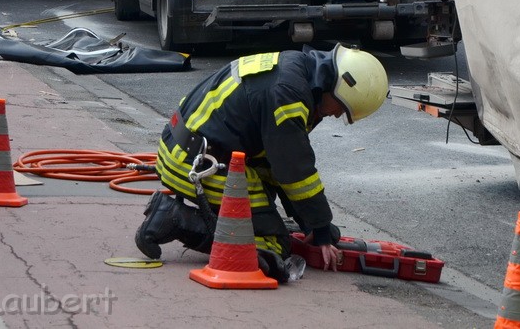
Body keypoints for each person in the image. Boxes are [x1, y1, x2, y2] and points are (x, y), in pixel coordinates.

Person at [134, 44, 389, 282]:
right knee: (273, 243)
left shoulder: (299, 70)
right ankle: (173, 219)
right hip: (199, 163)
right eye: (342, 109)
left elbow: (277, 161)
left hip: (190, 149)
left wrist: (312, 223)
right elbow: (295, 171)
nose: (336, 115)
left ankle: (184, 219)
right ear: (338, 87)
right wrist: (320, 228)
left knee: (271, 217)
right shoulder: (289, 95)